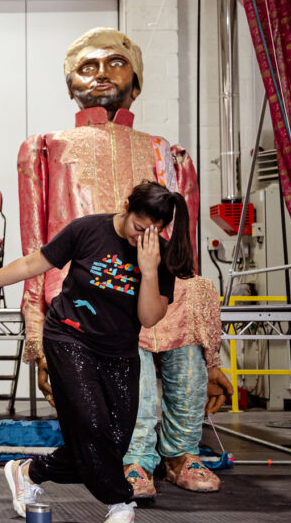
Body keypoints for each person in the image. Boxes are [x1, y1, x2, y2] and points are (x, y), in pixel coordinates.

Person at [0, 181, 193, 523]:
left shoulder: (158, 255)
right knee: (92, 427)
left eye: (154, 232)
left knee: (112, 440)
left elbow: (149, 318)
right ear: (125, 206)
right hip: (69, 337)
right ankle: (120, 501)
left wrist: (150, 270)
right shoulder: (88, 229)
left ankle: (30, 472)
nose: (144, 238)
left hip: (119, 352)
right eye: (139, 228)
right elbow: (33, 263)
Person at [17, 27, 200, 406]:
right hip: (85, 303)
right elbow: (36, 249)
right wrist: (37, 336)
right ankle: (130, 463)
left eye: (116, 63)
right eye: (87, 66)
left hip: (160, 297)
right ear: (70, 86)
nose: (101, 73)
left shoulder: (168, 152)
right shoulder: (47, 147)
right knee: (130, 403)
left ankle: (180, 456)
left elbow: (186, 252)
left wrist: (204, 338)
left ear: (136, 84)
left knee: (187, 385)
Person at [124, 275, 233, 498]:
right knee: (132, 362)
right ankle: (133, 458)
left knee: (194, 289)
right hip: (116, 286)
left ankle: (181, 455)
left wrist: (210, 364)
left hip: (170, 288)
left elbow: (182, 260)